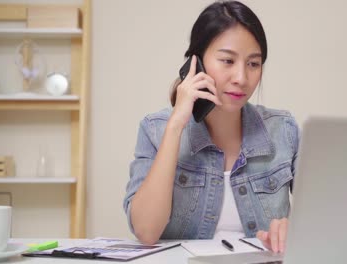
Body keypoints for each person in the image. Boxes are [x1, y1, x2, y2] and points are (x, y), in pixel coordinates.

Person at [123, 1, 299, 254]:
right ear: (197, 63)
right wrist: (176, 126)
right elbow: (147, 231)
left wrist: (292, 230)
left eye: (253, 64)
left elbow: (324, 220)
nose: (241, 78)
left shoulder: (284, 130)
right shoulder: (155, 129)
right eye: (227, 61)